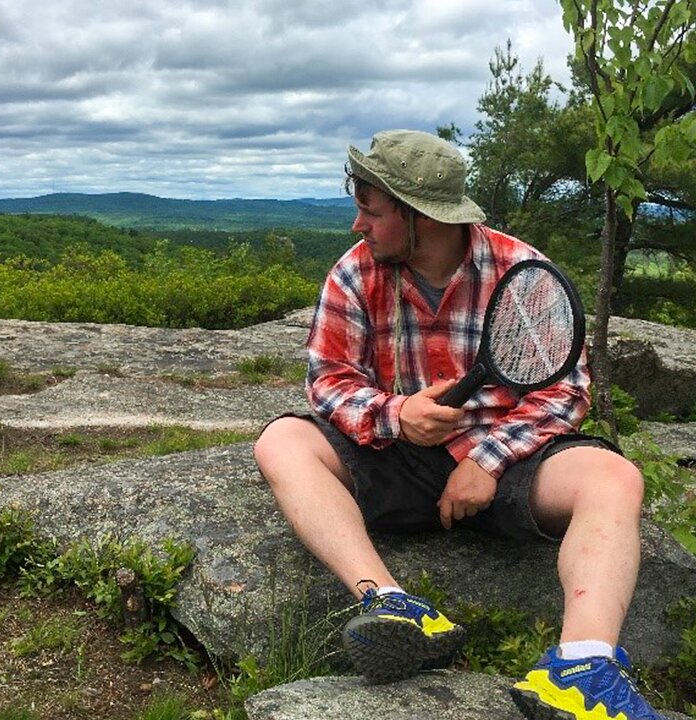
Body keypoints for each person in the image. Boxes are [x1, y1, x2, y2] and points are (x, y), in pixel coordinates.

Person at [254, 130, 669, 720]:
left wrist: (487, 459)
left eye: (371, 212)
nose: (357, 226)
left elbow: (567, 389)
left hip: (509, 463)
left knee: (613, 478)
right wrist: (397, 414)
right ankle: (395, 607)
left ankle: (581, 668)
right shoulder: (355, 273)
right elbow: (328, 380)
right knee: (282, 440)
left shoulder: (522, 273)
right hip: (399, 454)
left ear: (421, 215)